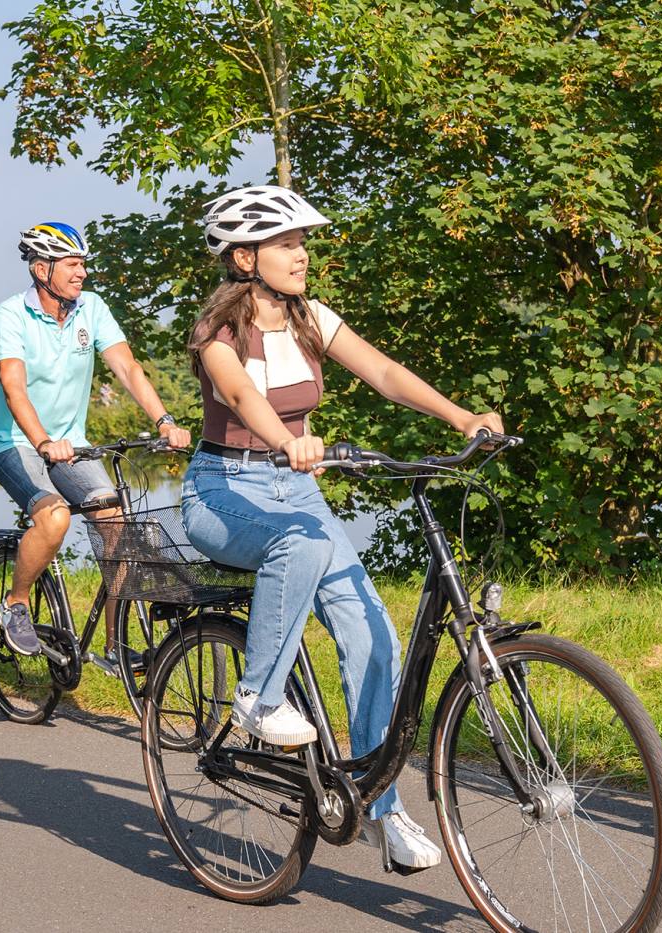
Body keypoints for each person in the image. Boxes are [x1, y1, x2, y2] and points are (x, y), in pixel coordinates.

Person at [180, 185, 503, 872]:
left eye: (303, 241)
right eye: (286, 243)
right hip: (222, 489)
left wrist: (460, 417)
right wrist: (282, 441)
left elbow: (383, 371)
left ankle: (381, 809)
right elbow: (240, 394)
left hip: (294, 490)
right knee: (297, 543)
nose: (302, 254)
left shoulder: (309, 319)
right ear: (245, 256)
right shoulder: (218, 334)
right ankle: (256, 698)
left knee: (374, 636)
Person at [0, 222, 192, 656]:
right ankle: (15, 603)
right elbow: (13, 387)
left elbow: (128, 369)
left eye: (83, 264)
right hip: (12, 441)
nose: (83, 273)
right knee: (54, 518)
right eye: (73, 265)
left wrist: (164, 420)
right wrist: (41, 441)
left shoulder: (90, 309)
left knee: (116, 523)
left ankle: (114, 646)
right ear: (42, 270)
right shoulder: (11, 315)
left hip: (70, 442)